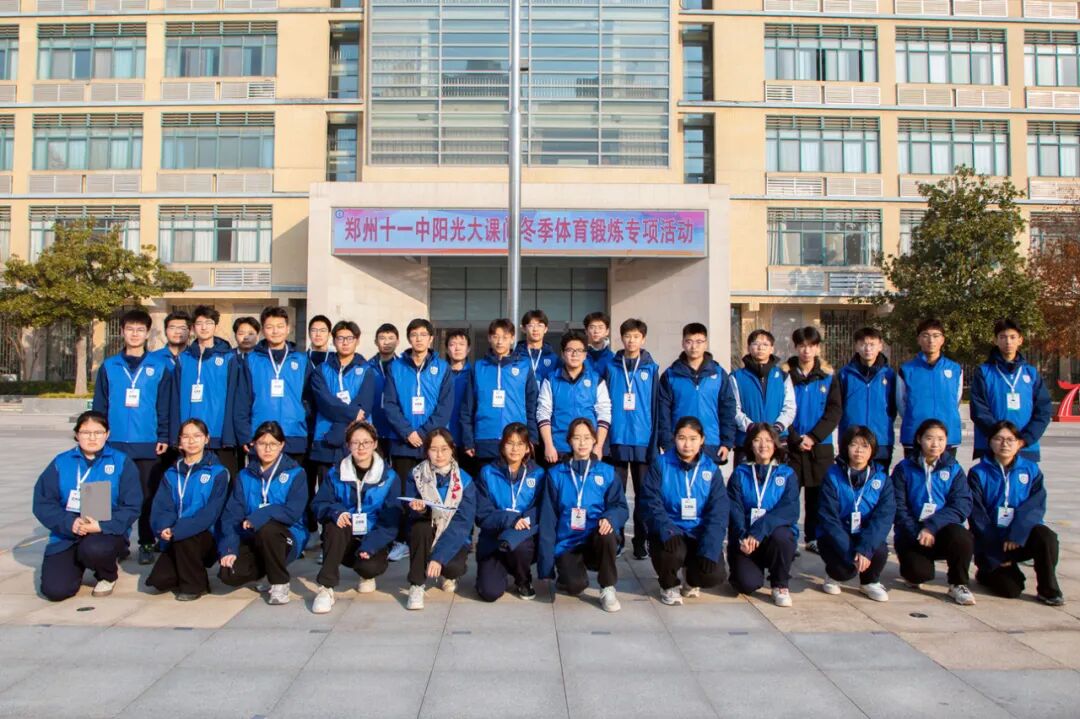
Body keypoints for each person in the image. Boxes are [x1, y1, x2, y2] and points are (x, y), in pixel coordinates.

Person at [92, 308, 175, 566]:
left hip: (147, 442)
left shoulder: (160, 367)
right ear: (122, 332)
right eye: (130, 329)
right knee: (105, 494)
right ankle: (107, 542)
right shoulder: (109, 366)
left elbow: (165, 405)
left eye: (140, 330)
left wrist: (164, 435)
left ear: (148, 333)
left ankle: (147, 542)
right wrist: (97, 435)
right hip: (113, 442)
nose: (135, 334)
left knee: (147, 496)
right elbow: (100, 404)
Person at [33, 411, 142, 601]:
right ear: (77, 434)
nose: (92, 438)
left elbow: (132, 506)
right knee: (55, 591)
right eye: (85, 432)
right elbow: (43, 502)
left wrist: (102, 526)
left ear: (107, 434)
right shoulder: (61, 462)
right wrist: (70, 523)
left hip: (105, 532)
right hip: (68, 533)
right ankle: (76, 562)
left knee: (95, 549)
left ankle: (107, 575)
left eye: (98, 432)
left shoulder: (121, 462)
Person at [310, 421, 403, 613]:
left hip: (373, 540)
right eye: (355, 442)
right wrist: (336, 512)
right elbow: (319, 504)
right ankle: (326, 588)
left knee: (370, 567)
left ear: (375, 444)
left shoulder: (390, 477)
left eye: (366, 442)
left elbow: (391, 520)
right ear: (348, 445)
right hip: (344, 537)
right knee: (334, 525)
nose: (361, 447)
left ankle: (366, 574)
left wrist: (370, 545)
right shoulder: (335, 473)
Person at [968, 421, 1064, 605]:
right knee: (1011, 590)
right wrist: (997, 553)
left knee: (1047, 537)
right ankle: (988, 571)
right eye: (998, 439)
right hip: (993, 541)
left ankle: (1048, 589)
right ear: (990, 442)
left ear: (1019, 443)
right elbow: (977, 514)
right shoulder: (978, 473)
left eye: (1010, 440)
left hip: (1019, 538)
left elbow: (1035, 506)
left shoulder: (1031, 470)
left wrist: (1017, 534)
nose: (1004, 444)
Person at [537, 419, 628, 612]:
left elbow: (620, 506)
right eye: (577, 438)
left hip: (595, 538)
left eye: (587, 438)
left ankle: (607, 587)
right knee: (575, 586)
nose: (582, 443)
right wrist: (546, 566)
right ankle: (566, 575)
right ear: (569, 441)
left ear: (594, 440)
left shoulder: (607, 472)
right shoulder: (556, 474)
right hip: (568, 542)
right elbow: (548, 519)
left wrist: (610, 518)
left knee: (608, 534)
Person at [217, 421, 309, 605]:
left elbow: (293, 512)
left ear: (281, 445)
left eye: (273, 444)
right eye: (262, 443)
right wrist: (230, 548)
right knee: (229, 573)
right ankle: (267, 570)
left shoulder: (296, 473)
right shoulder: (244, 476)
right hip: (253, 537)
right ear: (254, 445)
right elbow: (231, 515)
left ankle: (279, 582)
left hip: (287, 536)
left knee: (268, 529)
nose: (267, 449)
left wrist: (261, 515)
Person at [639, 417, 727, 605]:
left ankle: (691, 578)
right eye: (682, 438)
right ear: (674, 438)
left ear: (702, 440)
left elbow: (718, 512)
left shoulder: (711, 469)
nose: (687, 444)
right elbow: (650, 501)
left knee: (713, 574)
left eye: (693, 439)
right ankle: (668, 584)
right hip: (671, 529)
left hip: (698, 532)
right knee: (671, 551)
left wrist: (710, 547)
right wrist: (666, 528)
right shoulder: (661, 464)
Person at [891, 419, 976, 605]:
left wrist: (931, 526)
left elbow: (961, 504)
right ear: (919, 439)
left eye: (940, 439)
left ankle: (958, 583)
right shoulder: (904, 468)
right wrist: (917, 531)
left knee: (962, 537)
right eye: (929, 438)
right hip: (912, 533)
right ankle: (914, 568)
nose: (935, 444)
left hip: (941, 529)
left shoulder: (953, 468)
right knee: (918, 574)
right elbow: (898, 506)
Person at [146, 419, 230, 601]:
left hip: (206, 535)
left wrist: (179, 529)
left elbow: (211, 513)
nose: (191, 441)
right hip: (175, 534)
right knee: (160, 581)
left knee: (186, 537)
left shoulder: (218, 472)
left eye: (197, 436)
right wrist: (164, 527)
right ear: (179, 441)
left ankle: (195, 586)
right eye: (186, 437)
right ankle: (191, 571)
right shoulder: (171, 473)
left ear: (206, 439)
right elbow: (162, 506)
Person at [308, 320, 376, 531]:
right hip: (325, 440)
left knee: (356, 490)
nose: (345, 342)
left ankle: (356, 535)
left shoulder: (367, 370)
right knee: (328, 491)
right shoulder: (321, 370)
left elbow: (364, 406)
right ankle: (327, 536)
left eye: (349, 338)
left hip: (356, 442)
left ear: (357, 341)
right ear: (333, 340)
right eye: (340, 338)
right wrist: (350, 414)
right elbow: (325, 402)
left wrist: (342, 427)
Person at [816, 426, 895, 601]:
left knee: (879, 549)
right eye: (854, 444)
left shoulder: (882, 478)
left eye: (865, 445)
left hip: (863, 533)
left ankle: (870, 582)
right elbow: (828, 517)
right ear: (846, 447)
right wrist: (849, 551)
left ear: (873, 449)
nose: (859, 450)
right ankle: (833, 575)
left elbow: (883, 517)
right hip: (837, 535)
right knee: (844, 570)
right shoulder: (832, 475)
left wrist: (865, 548)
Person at [402, 429, 477, 610]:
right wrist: (419, 510)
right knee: (420, 527)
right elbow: (407, 509)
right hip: (427, 531)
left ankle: (447, 574)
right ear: (426, 451)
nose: (439, 454)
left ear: (452, 449)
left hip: (454, 534)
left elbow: (463, 523)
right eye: (434, 449)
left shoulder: (465, 480)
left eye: (444, 449)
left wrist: (439, 558)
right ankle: (416, 585)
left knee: (453, 568)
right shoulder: (416, 475)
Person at [727, 423, 800, 607]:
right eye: (757, 440)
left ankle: (780, 584)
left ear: (775, 444)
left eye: (768, 440)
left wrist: (760, 529)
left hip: (772, 537)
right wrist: (743, 536)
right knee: (746, 584)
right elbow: (735, 509)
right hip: (747, 540)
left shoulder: (787, 474)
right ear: (750, 444)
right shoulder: (740, 473)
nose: (763, 445)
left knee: (783, 536)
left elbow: (789, 510)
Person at [605, 318, 659, 560]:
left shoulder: (652, 369)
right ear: (621, 338)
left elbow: (656, 407)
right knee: (615, 494)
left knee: (643, 495)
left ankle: (640, 541)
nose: (631, 341)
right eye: (627, 336)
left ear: (643, 339)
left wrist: (656, 441)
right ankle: (616, 539)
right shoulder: (611, 367)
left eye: (636, 336)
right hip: (616, 438)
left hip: (643, 440)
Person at [785, 327, 841, 555]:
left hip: (820, 445)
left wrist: (813, 437)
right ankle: (789, 537)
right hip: (792, 444)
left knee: (817, 495)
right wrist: (794, 437)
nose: (806, 351)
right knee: (789, 494)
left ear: (818, 348)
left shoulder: (828, 376)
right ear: (795, 347)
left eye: (811, 346)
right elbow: (781, 409)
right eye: (802, 346)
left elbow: (834, 411)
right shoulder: (785, 375)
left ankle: (814, 537)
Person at [474, 423, 546, 602]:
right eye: (510, 443)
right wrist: (511, 519)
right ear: (502, 446)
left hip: (523, 535)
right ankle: (496, 571)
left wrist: (524, 521)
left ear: (528, 448)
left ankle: (523, 578)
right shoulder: (487, 472)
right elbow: (482, 514)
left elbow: (540, 507)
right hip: (494, 537)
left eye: (520, 444)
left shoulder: (538, 474)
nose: (515, 449)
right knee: (489, 592)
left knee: (520, 545)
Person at [178, 305, 248, 480]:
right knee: (191, 483)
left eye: (209, 323)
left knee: (225, 482)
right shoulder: (183, 358)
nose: (204, 327)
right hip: (190, 437)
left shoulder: (229, 358)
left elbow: (235, 398)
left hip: (219, 434)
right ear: (192, 328)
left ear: (216, 326)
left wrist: (229, 435)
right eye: (199, 323)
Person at [970, 319, 1053, 462]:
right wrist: (999, 437)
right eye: (1003, 337)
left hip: (1025, 447)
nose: (1008, 341)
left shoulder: (1031, 373)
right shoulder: (984, 372)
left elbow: (1043, 410)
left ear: (1020, 340)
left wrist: (1024, 439)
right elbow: (979, 409)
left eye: (1012, 337)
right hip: (992, 446)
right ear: (995, 340)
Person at [383, 318, 455, 481]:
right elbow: (389, 404)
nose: (419, 339)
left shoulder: (443, 368)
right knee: (403, 490)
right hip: (402, 442)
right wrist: (407, 432)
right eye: (414, 335)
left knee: (432, 490)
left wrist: (423, 433)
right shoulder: (395, 367)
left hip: (433, 442)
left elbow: (445, 407)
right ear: (409, 338)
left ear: (431, 338)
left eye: (423, 335)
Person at [461, 319, 538, 469]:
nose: (500, 341)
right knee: (486, 481)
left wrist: (532, 437)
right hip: (485, 439)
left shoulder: (524, 367)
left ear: (512, 339)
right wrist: (468, 440)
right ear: (489, 338)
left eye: (505, 337)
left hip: (516, 441)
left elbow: (532, 406)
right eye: (495, 337)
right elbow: (467, 408)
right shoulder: (478, 367)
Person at [657, 322, 737, 465]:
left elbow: (728, 409)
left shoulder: (718, 374)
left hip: (711, 442)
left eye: (699, 342)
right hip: (680, 443)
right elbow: (663, 412)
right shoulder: (671, 375)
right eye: (689, 341)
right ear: (683, 343)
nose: (694, 347)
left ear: (706, 344)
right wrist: (667, 442)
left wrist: (727, 442)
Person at [240, 307, 312, 461]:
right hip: (260, 434)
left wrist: (301, 416)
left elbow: (310, 398)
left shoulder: (301, 360)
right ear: (263, 330)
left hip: (294, 433)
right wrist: (245, 434)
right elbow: (242, 400)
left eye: (280, 326)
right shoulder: (251, 360)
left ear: (288, 329)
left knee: (293, 475)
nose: (275, 331)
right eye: (270, 327)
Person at [537, 330, 612, 465]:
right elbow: (543, 413)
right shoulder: (550, 380)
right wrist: (548, 445)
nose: (574, 354)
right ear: (562, 353)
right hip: (558, 449)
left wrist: (598, 446)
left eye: (579, 350)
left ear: (585, 354)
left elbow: (604, 414)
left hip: (587, 449)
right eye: (570, 350)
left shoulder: (596, 381)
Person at [897, 319, 963, 459]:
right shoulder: (907, 370)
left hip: (947, 435)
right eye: (925, 335)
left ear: (942, 339)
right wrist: (914, 416)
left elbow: (956, 399)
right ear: (919, 339)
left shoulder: (955, 369)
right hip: (915, 434)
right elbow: (901, 403)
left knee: (945, 472)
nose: (931, 340)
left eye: (936, 335)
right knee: (914, 472)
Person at [731, 329, 796, 464]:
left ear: (772, 349)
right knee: (746, 477)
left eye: (765, 344)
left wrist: (777, 427)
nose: (760, 348)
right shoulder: (736, 377)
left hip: (777, 441)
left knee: (776, 476)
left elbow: (790, 407)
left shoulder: (783, 376)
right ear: (749, 347)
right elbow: (733, 408)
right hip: (747, 441)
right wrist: (750, 427)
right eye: (756, 344)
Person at [837, 327, 897, 470]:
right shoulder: (845, 374)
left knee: (879, 480)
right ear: (856, 346)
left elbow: (894, 407)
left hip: (881, 439)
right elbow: (837, 407)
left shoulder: (889, 375)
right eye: (863, 344)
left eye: (872, 344)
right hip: (851, 440)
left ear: (880, 346)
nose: (868, 348)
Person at [367, 322, 400, 457]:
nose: (386, 342)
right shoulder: (367, 367)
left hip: (397, 429)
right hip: (374, 427)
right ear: (376, 341)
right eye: (382, 338)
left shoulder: (404, 368)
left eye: (391, 338)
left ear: (398, 342)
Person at [444, 329, 472, 452]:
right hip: (443, 437)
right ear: (446, 349)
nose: (457, 348)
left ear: (468, 349)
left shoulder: (474, 374)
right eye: (452, 344)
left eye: (461, 344)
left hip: (467, 438)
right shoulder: (440, 374)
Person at [517, 309, 559, 389]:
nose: (535, 329)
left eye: (540, 325)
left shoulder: (554, 359)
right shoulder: (515, 357)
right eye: (531, 325)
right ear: (524, 329)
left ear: (546, 329)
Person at [153, 310, 192, 377]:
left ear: (190, 332)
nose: (177, 332)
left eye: (182, 328)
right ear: (165, 331)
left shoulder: (196, 358)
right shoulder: (153, 358)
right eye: (172, 328)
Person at [583, 311, 615, 378]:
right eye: (592, 327)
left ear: (607, 331)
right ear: (586, 331)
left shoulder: (614, 358)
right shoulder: (579, 357)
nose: (596, 331)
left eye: (600, 327)